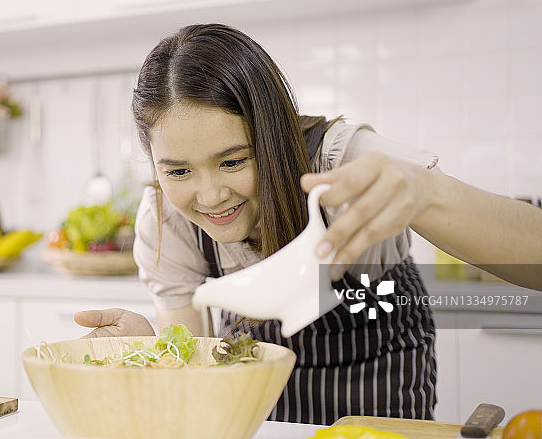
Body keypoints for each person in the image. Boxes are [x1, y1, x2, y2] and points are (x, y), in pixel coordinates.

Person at [74, 24, 542, 425]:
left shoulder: (341, 161)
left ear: (272, 133)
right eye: (178, 171)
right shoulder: (165, 220)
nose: (211, 195)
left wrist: (429, 194)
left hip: (380, 377)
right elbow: (200, 385)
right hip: (259, 398)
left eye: (234, 161)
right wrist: (157, 356)